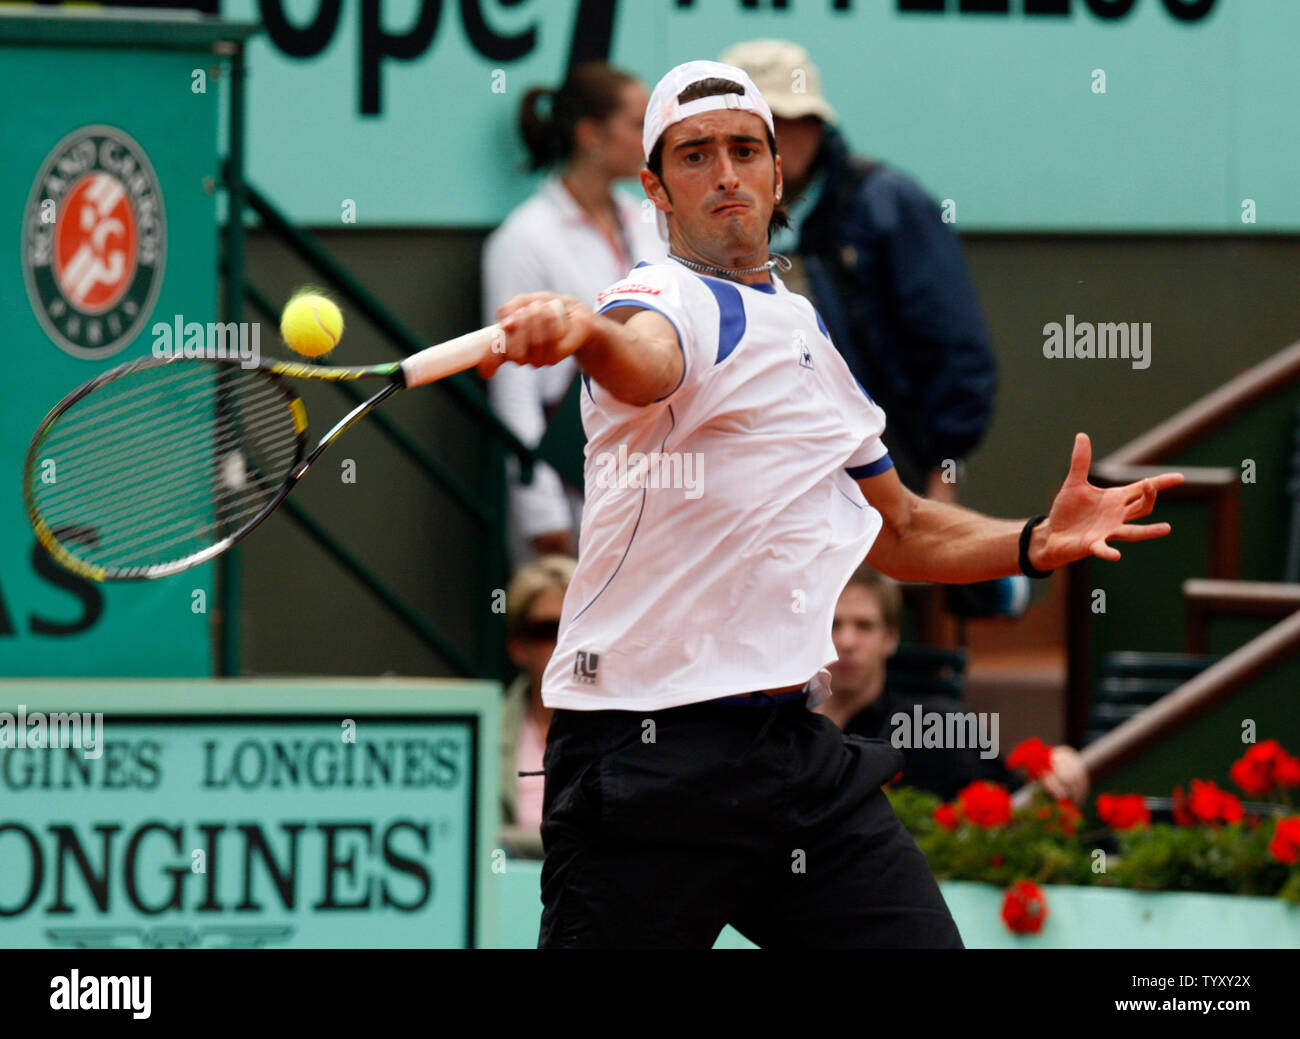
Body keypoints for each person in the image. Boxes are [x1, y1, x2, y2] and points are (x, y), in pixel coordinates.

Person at [478, 59, 1182, 949]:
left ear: (779, 174)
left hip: (786, 758)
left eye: (745, 150)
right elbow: (644, 355)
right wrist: (584, 331)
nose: (725, 173)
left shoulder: (804, 332)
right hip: (643, 761)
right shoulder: (663, 299)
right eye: (694, 156)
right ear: (654, 186)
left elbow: (907, 527)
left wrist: (1036, 539)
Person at [720, 40, 995, 502]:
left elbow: (958, 350)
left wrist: (941, 473)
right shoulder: (699, 223)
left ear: (816, 123)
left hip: (882, 482)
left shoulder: (888, 204)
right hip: (750, 486)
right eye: (749, 131)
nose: (770, 144)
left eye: (785, 122)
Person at [482, 62, 667, 568]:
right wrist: (544, 519)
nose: (650, 135)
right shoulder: (523, 239)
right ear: (590, 134)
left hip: (655, 485)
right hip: (572, 491)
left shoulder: (648, 222)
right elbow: (514, 395)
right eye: (636, 123)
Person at [818, 562, 1089, 803]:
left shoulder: (934, 727)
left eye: (864, 626)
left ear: (890, 638)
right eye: (833, 625)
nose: (846, 642)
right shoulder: (782, 730)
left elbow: (1010, 799)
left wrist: (1055, 765)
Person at [498, 554, 576, 859]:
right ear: (519, 647)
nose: (561, 642)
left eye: (572, 626)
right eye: (546, 630)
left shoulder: (625, 729)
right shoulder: (488, 731)